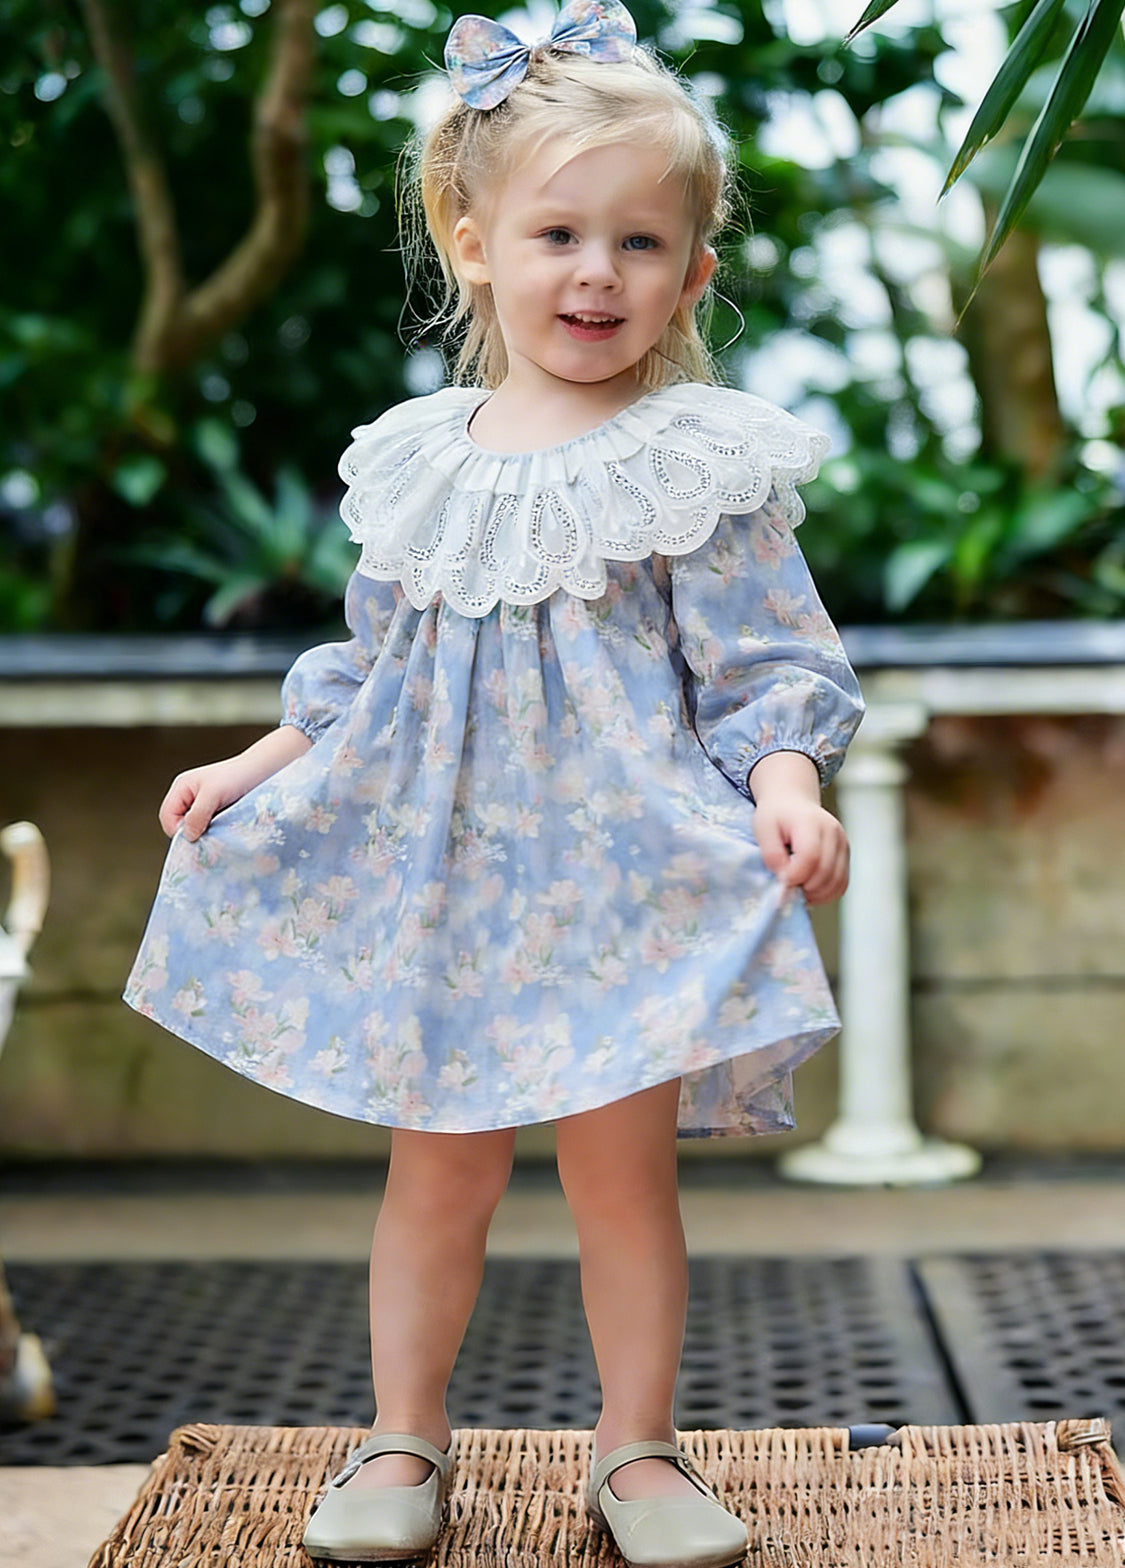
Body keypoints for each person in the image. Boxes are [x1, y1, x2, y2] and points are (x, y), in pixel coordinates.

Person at [125, 3, 864, 1563]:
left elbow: (762, 667)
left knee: (620, 1185)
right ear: (473, 245)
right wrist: (254, 763)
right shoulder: (421, 462)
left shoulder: (690, 463)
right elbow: (367, 668)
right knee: (435, 1177)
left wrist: (788, 785)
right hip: (448, 895)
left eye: (639, 243)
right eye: (557, 235)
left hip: (620, 893)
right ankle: (401, 1439)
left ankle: (637, 1454)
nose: (597, 273)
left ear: (693, 272)